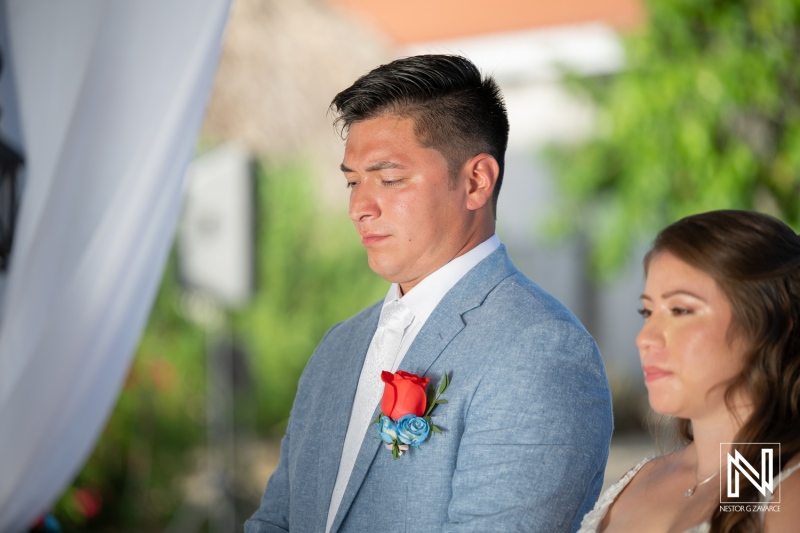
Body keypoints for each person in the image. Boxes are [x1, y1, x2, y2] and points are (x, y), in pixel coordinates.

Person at [245, 54, 613, 533]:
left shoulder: (540, 349)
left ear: (476, 181)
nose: (359, 207)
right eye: (352, 182)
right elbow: (276, 520)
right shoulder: (337, 347)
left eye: (390, 179)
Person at [579, 210, 800, 533]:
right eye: (648, 311)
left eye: (681, 310)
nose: (645, 339)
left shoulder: (787, 496)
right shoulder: (639, 479)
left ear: (771, 324)